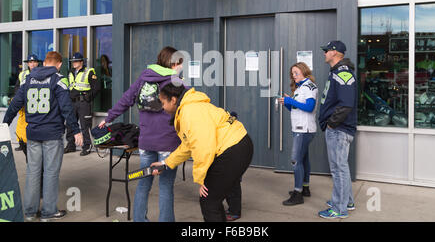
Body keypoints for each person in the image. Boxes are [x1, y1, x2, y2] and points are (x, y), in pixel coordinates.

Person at [98, 46, 183, 222]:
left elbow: (126, 99)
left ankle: (139, 219)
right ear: (173, 63)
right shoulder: (176, 82)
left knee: (143, 183)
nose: (181, 67)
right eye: (180, 64)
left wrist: (109, 118)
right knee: (166, 187)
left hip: (145, 142)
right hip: (167, 142)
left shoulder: (144, 78)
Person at [151, 83, 254, 222]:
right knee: (213, 200)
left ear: (173, 100)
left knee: (209, 200)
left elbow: (204, 148)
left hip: (233, 148)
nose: (162, 107)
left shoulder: (190, 112)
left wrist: (201, 178)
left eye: (162, 102)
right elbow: (188, 145)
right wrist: (166, 163)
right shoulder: (190, 107)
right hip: (238, 144)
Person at [2, 51, 83, 222]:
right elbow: (66, 107)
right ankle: (48, 212)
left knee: (32, 172)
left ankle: (30, 212)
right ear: (59, 64)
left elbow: (15, 103)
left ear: (44, 63)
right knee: (51, 173)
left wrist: (4, 123)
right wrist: (76, 130)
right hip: (52, 134)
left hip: (33, 134)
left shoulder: (28, 79)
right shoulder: (58, 80)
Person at [317, 41, 357, 219]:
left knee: (338, 169)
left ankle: (339, 208)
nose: (325, 53)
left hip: (339, 129)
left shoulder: (343, 74)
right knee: (342, 167)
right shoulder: (336, 73)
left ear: (335, 53)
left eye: (327, 51)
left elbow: (346, 104)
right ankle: (346, 200)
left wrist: (332, 124)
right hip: (337, 129)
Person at [279, 62, 318, 206]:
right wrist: (288, 103)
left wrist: (290, 100)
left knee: (296, 161)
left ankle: (298, 194)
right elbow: (296, 109)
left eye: (296, 72)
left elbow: (309, 107)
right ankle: (305, 188)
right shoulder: (300, 88)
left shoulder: (309, 87)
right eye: (292, 73)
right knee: (303, 160)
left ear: (303, 71)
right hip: (299, 128)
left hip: (304, 129)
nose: (293, 76)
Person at [64, 52, 101, 156]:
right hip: (72, 102)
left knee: (85, 125)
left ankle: (87, 146)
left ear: (81, 62)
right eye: (72, 61)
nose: (74, 63)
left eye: (76, 61)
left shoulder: (89, 72)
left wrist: (88, 97)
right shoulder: (70, 72)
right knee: (70, 124)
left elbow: (97, 88)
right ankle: (70, 145)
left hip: (83, 103)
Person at [13, 54, 42, 156]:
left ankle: (34, 143)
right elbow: (17, 87)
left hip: (36, 105)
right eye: (30, 62)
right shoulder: (22, 74)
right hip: (24, 104)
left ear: (37, 63)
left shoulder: (41, 73)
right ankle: (22, 143)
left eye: (34, 62)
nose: (32, 64)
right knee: (21, 125)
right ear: (28, 64)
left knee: (35, 124)